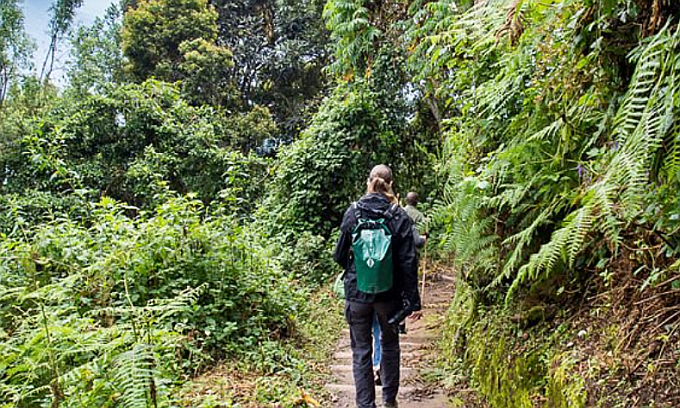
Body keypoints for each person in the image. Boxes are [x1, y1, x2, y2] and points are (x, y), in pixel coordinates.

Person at [334, 164, 421, 408]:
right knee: (390, 345)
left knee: (361, 350)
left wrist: (357, 268)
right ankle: (389, 400)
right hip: (389, 296)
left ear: (368, 181)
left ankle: (365, 405)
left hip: (357, 295)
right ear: (390, 184)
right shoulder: (398, 215)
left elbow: (339, 255)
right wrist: (413, 302)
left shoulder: (353, 212)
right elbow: (408, 261)